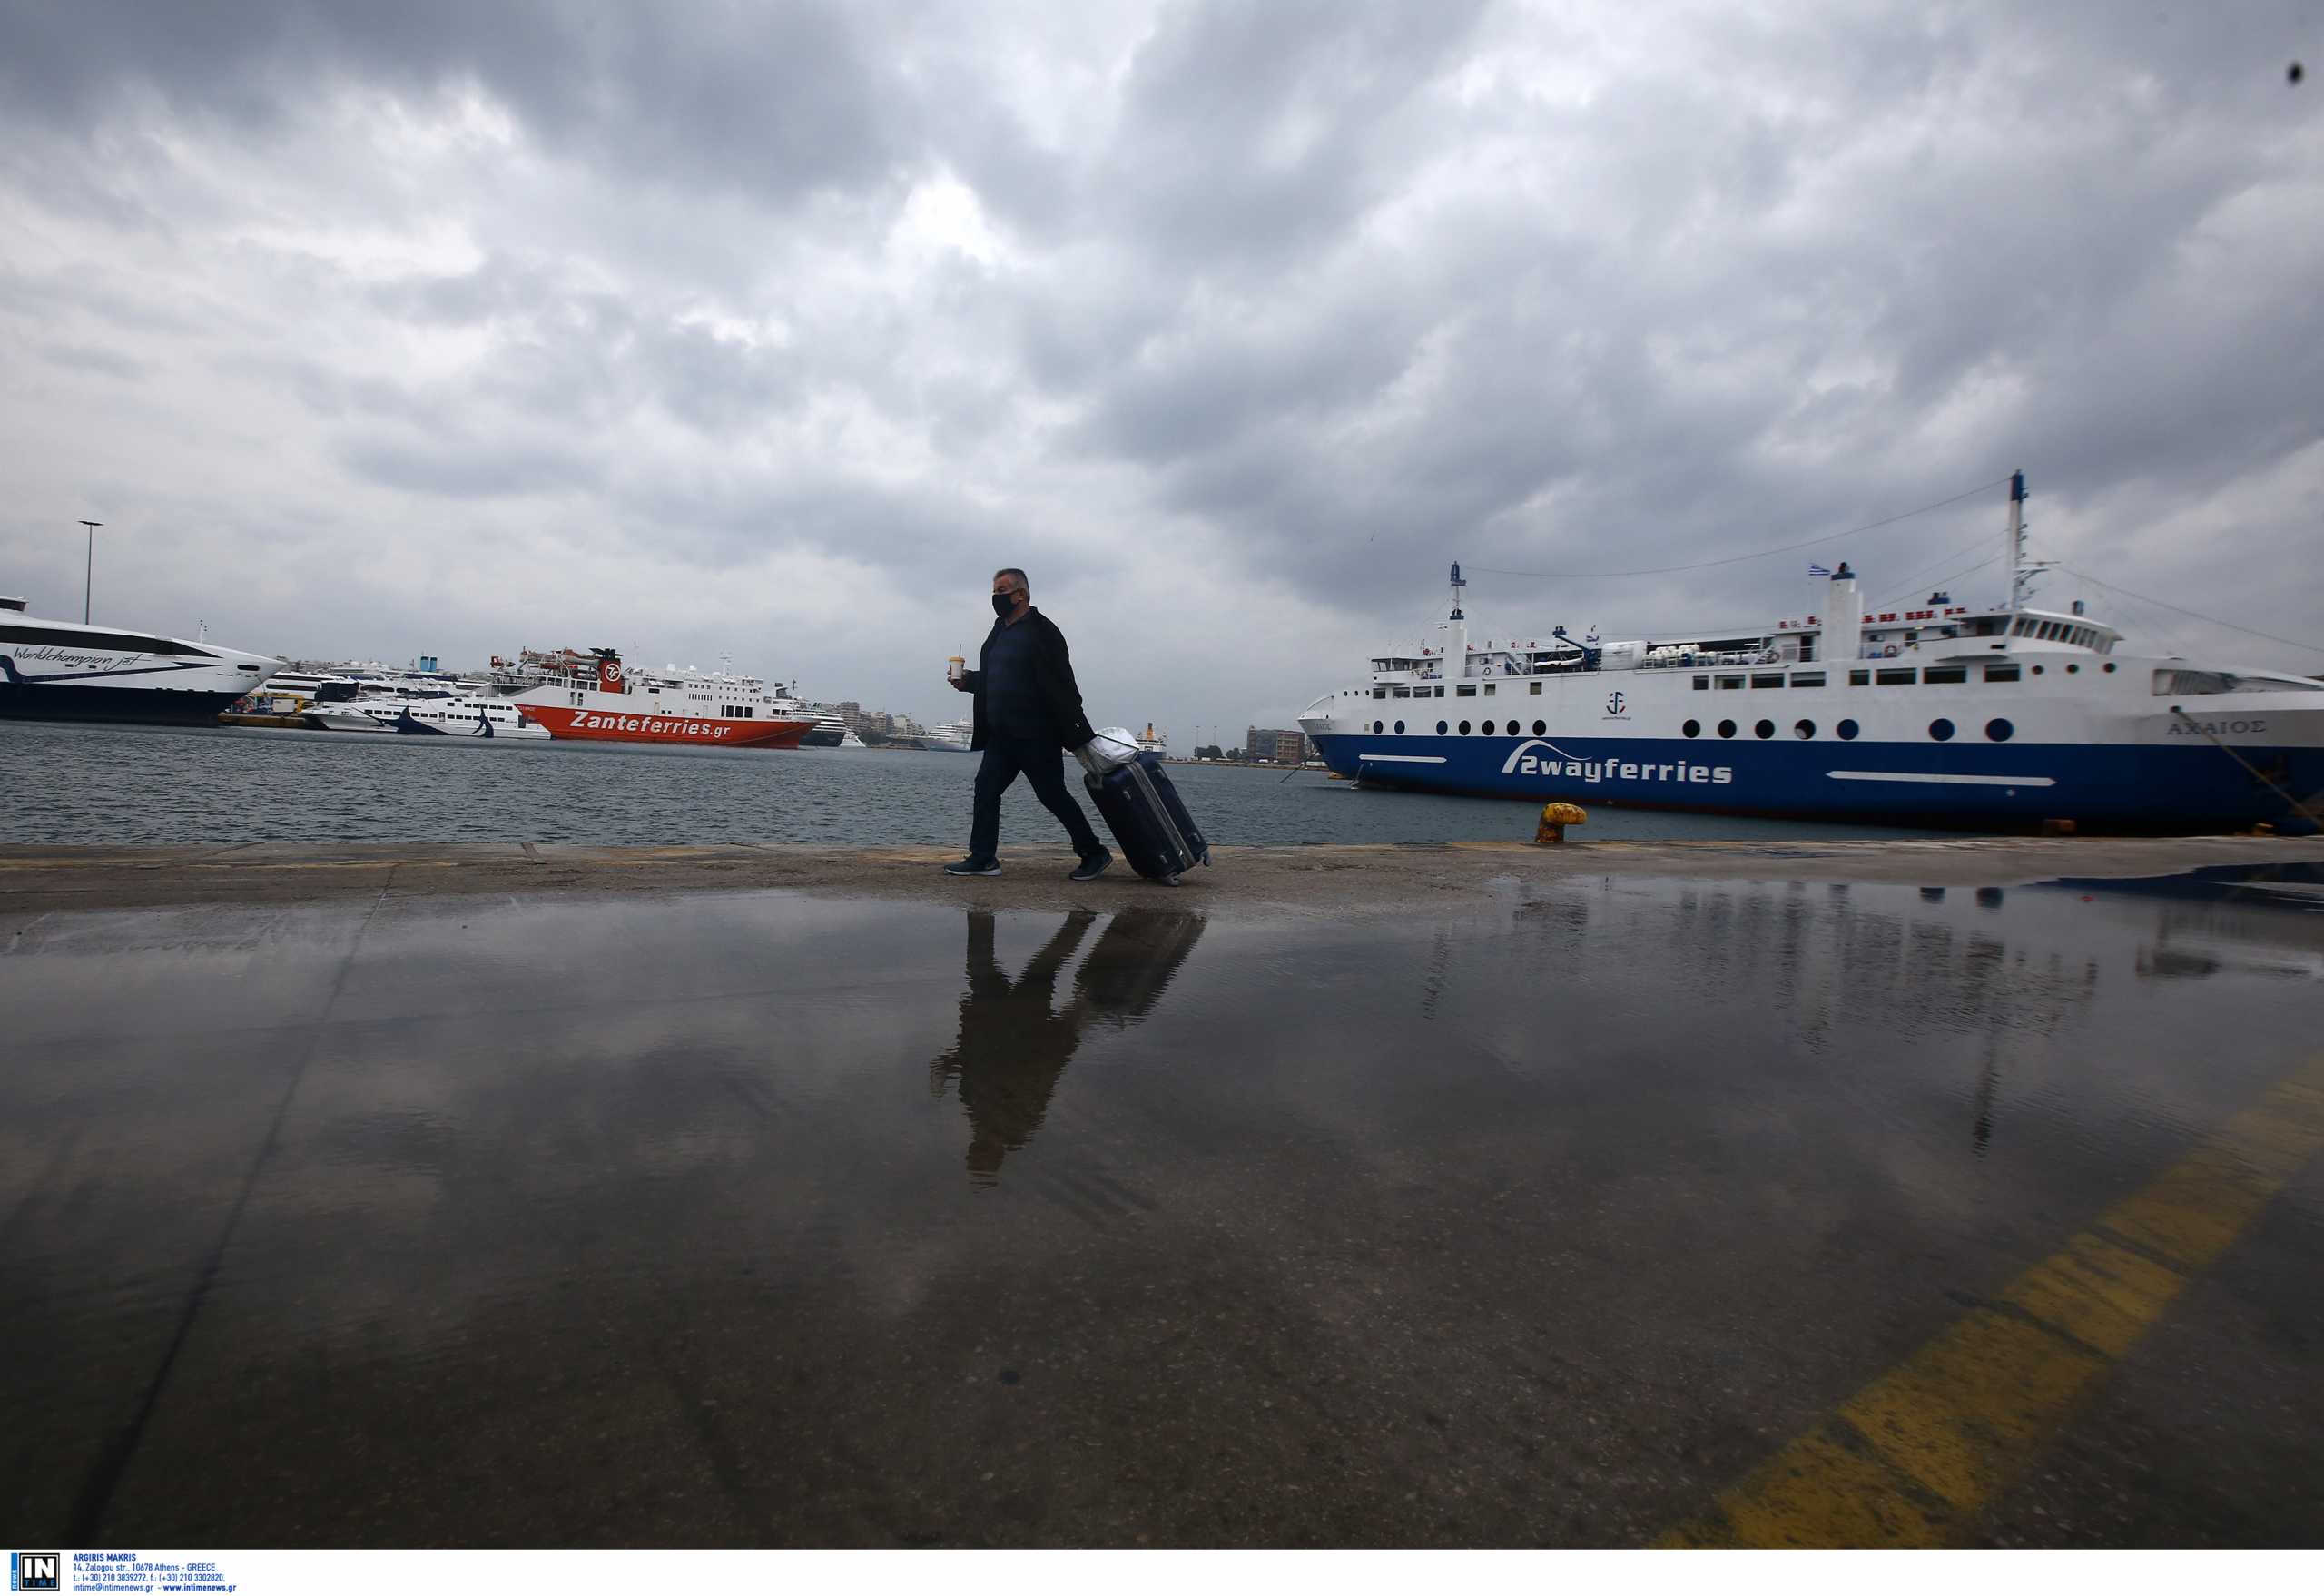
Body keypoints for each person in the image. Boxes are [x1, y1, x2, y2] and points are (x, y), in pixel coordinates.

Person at [942, 567, 1112, 880]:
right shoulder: (998, 630)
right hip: (1001, 736)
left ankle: (1094, 852)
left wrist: (1071, 727)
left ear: (1022, 594)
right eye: (994, 590)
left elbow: (1063, 684)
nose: (997, 597)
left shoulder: (1043, 631)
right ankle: (983, 858)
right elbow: (995, 678)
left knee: (1052, 795)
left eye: (1003, 590)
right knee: (985, 791)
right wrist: (968, 681)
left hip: (1036, 735)